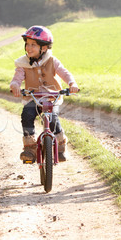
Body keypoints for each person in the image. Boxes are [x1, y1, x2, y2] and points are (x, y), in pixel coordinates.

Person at [10, 25, 79, 163]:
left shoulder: (52, 61)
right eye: (27, 44)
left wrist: (72, 83)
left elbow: (64, 73)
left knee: (52, 119)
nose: (29, 48)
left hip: (51, 97)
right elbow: (17, 79)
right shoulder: (23, 63)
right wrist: (15, 86)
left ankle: (59, 146)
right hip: (33, 97)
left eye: (33, 45)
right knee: (27, 115)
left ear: (44, 48)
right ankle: (29, 148)